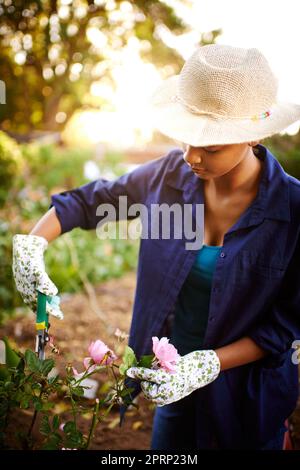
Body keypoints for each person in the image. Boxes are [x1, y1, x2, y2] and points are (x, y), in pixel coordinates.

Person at [12, 44, 300, 450]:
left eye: (211, 147)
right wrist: (31, 244)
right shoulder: (168, 176)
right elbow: (87, 203)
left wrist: (210, 363)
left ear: (252, 134)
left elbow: (285, 326)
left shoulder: (293, 210)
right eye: (185, 139)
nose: (191, 156)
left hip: (246, 400)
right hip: (169, 386)